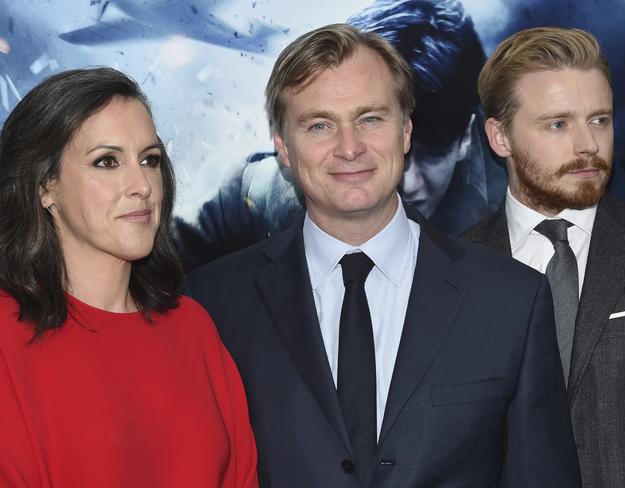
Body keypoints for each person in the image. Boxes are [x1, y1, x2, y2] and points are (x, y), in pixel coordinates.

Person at [183, 24, 579, 487]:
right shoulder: (213, 304)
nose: (350, 148)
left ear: (406, 130)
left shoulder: (512, 299)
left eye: (370, 118)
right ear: (282, 147)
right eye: (319, 125)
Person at [0, 67, 258, 488]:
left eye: (150, 160)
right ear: (45, 186)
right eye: (107, 162)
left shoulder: (194, 329)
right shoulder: (6, 337)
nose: (141, 185)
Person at [172, 0, 506, 271]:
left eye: (434, 149)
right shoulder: (255, 198)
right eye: (370, 121)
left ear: (465, 137)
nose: (409, 178)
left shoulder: (514, 220)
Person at [463, 27, 625, 488]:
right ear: (499, 136)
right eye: (558, 124)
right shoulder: (454, 270)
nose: (588, 143)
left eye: (600, 120)